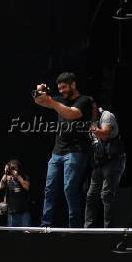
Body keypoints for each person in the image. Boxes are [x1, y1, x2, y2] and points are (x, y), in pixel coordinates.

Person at [34, 72, 93, 227]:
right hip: (57, 152)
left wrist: (51, 101)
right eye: (59, 88)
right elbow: (39, 101)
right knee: (49, 188)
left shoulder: (84, 100)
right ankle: (45, 225)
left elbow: (71, 114)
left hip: (76, 151)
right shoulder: (60, 100)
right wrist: (40, 90)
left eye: (64, 87)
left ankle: (74, 228)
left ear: (73, 84)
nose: (61, 91)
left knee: (69, 189)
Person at [84, 104, 126, 228]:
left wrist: (92, 128)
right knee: (91, 195)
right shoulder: (90, 120)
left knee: (106, 195)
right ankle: (88, 228)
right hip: (100, 162)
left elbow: (105, 134)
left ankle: (109, 229)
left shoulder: (106, 116)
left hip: (114, 160)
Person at [0, 160, 31, 227]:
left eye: (15, 167)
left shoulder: (23, 176)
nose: (13, 169)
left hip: (24, 211)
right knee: (12, 234)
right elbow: (1, 187)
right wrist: (4, 178)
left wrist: (20, 179)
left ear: (18, 168)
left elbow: (27, 187)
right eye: (12, 168)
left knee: (26, 233)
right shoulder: (7, 177)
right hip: (12, 211)